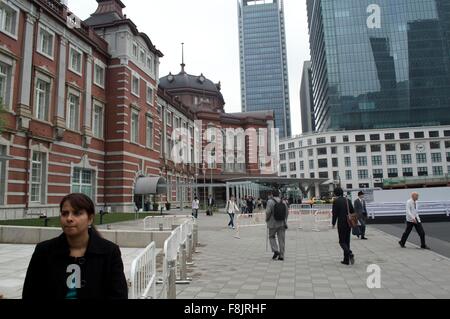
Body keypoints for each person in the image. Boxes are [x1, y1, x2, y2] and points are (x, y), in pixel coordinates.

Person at [22, 193, 128, 299]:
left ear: (90, 219)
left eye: (77, 213)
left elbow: (118, 294)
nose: (69, 218)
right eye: (64, 213)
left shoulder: (109, 252)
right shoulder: (44, 251)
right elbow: (30, 293)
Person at [332, 187, 355, 265]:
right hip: (349, 223)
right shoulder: (347, 200)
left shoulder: (336, 201)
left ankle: (349, 253)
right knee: (347, 241)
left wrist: (333, 223)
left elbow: (334, 214)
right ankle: (346, 260)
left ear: (335, 193)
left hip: (341, 223)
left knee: (341, 241)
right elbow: (352, 211)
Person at [266, 190, 288, 261]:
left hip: (272, 223)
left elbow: (268, 212)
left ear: (272, 194)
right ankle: (281, 255)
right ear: (279, 195)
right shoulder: (283, 202)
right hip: (282, 223)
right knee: (281, 239)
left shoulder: (270, 201)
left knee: (271, 236)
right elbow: (287, 212)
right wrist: (285, 221)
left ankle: (275, 250)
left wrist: (267, 219)